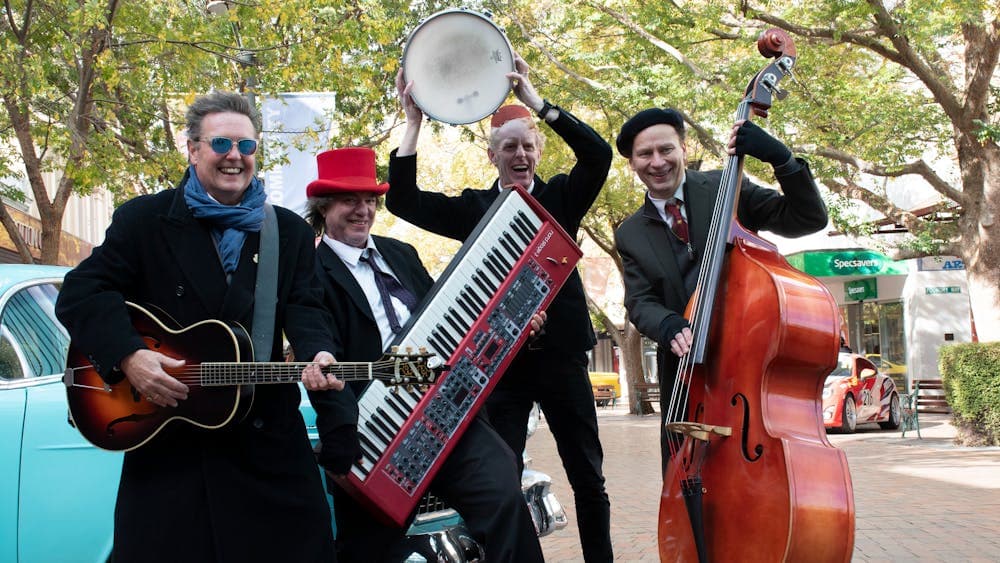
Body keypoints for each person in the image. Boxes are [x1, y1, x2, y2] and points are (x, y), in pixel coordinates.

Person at [54, 91, 356, 562]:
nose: (235, 156)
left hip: (268, 449)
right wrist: (130, 356)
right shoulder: (144, 221)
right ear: (193, 149)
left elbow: (306, 307)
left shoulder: (290, 232)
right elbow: (80, 292)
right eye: (221, 144)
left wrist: (318, 350)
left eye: (247, 147)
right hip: (172, 453)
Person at [387, 54, 615, 562]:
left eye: (527, 146)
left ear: (538, 152)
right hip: (500, 368)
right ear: (493, 157)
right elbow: (402, 201)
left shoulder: (561, 197)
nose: (520, 154)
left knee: (588, 478)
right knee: (501, 480)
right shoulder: (472, 207)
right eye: (509, 146)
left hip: (562, 359)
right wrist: (412, 124)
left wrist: (539, 104)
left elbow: (599, 156)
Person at [305, 146, 546, 562]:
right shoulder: (310, 271)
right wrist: (342, 433)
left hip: (446, 411)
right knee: (369, 549)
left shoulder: (401, 254)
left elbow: (455, 318)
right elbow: (321, 349)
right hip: (373, 428)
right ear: (324, 208)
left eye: (370, 201)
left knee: (505, 501)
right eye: (350, 201)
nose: (363, 211)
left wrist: (514, 324)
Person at [612, 108, 829, 471]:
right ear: (632, 164)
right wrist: (667, 325)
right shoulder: (630, 233)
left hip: (748, 369)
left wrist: (782, 159)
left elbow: (808, 219)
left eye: (666, 149)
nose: (657, 162)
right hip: (686, 379)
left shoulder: (727, 189)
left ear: (682, 148)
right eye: (645, 154)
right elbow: (639, 300)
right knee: (685, 483)